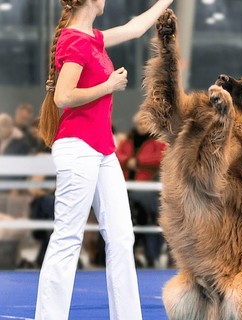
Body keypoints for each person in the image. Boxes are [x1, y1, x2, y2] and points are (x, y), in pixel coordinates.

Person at [34, 0, 173, 319]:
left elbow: (135, 27)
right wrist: (108, 85)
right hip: (77, 148)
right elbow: (63, 97)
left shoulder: (92, 38)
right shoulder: (74, 41)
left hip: (102, 151)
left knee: (123, 237)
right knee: (68, 237)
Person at [116, 119, 166, 268]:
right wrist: (128, 161)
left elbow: (161, 158)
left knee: (146, 214)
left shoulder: (158, 142)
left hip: (146, 189)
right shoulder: (127, 142)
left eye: (145, 123)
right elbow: (116, 156)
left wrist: (137, 162)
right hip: (125, 186)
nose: (142, 126)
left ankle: (149, 254)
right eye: (139, 123)